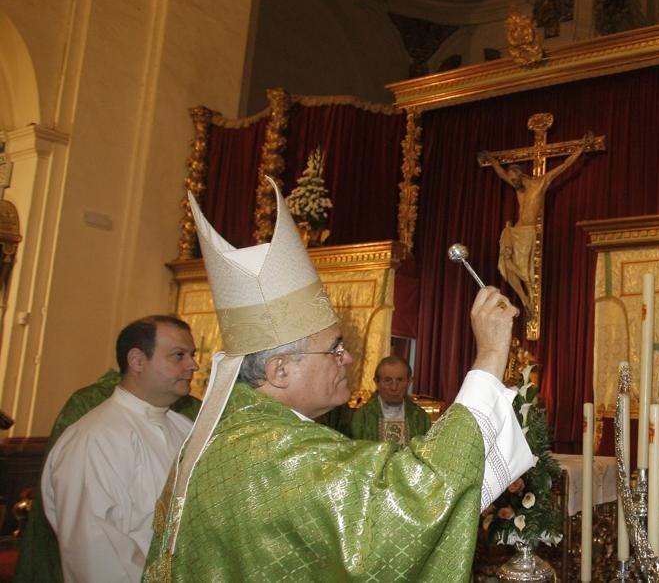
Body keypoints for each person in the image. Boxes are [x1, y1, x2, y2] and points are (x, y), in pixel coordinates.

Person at [144, 177, 535, 581]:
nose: (347, 358)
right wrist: (489, 355)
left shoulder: (235, 438)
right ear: (280, 370)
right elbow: (413, 504)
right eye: (333, 348)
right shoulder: (276, 454)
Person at [40, 316, 199, 582]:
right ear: (137, 360)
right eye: (179, 355)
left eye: (192, 355)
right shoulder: (93, 439)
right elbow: (94, 554)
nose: (193, 365)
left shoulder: (184, 428)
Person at [480, 133, 592, 313]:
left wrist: (582, 147)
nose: (513, 183)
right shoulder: (518, 187)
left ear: (519, 174)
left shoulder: (541, 183)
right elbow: (501, 174)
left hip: (528, 232)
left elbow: (565, 165)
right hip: (515, 229)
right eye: (512, 180)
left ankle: (528, 298)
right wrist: (492, 159)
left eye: (514, 179)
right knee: (505, 264)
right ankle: (524, 297)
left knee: (524, 270)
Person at [350, 356, 431, 444]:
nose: (394, 387)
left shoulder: (421, 418)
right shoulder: (362, 417)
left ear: (409, 382)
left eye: (399, 380)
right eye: (388, 380)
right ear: (377, 382)